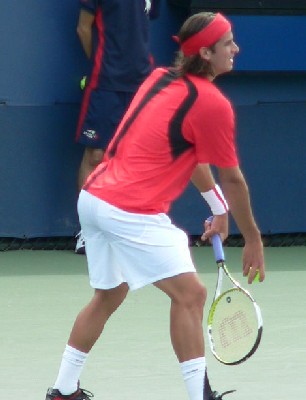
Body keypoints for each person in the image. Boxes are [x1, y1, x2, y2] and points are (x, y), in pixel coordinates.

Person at [45, 11, 265, 400]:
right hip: (129, 210)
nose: (236, 48)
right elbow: (232, 177)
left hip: (92, 200)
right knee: (191, 295)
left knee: (109, 294)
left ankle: (63, 390)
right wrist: (253, 238)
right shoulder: (212, 104)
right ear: (206, 53)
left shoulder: (159, 79)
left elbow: (195, 158)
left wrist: (218, 210)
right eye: (228, 42)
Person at [74, 0, 160, 254]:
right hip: (105, 82)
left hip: (142, 81)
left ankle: (128, 230)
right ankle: (87, 233)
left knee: (134, 158)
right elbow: (83, 28)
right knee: (95, 155)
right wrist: (102, 65)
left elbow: (141, 27)